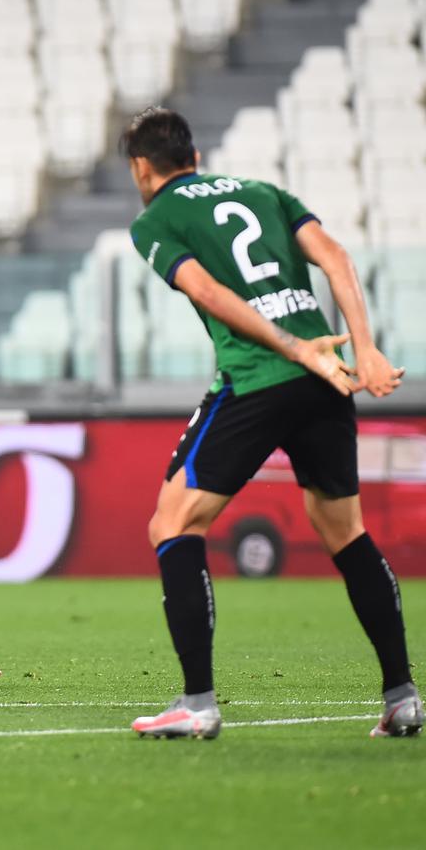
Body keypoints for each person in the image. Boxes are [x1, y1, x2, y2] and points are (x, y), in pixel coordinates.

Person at [119, 107, 420, 740]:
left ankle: (197, 703)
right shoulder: (265, 192)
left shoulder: (155, 220)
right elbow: (335, 256)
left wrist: (287, 346)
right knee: (345, 531)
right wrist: (363, 348)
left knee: (173, 521)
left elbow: (206, 291)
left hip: (259, 378)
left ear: (142, 169)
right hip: (328, 378)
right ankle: (402, 697)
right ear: (194, 157)